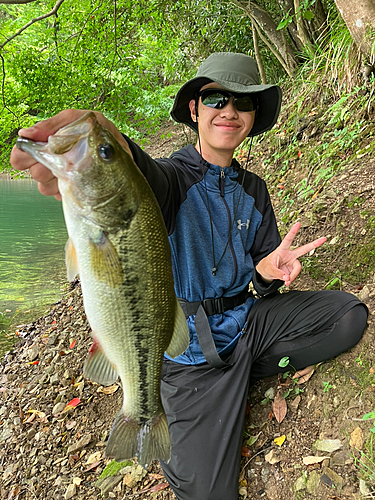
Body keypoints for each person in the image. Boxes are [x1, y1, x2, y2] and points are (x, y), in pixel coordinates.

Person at [11, 52, 368, 500]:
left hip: (247, 325)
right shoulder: (171, 178)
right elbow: (139, 173)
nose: (229, 110)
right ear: (195, 110)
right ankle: (193, 406)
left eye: (243, 102)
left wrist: (267, 271)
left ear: (252, 118)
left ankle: (240, 374)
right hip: (188, 354)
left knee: (348, 316)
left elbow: (262, 271)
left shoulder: (254, 188)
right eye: (216, 98)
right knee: (207, 494)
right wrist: (110, 144)